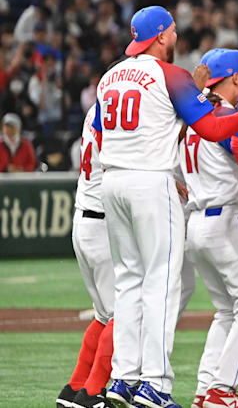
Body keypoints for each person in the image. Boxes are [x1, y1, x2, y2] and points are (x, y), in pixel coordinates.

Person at [95, 6, 238, 408]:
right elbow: (213, 127)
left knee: (128, 282)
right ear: (162, 36)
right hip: (150, 179)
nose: (177, 37)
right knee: (162, 282)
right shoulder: (170, 74)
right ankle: (155, 384)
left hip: (111, 179)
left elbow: (102, 129)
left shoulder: (109, 75)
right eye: (173, 31)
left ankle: (122, 377)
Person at [179, 49, 238, 408]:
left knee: (226, 312)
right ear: (235, 78)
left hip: (196, 223)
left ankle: (204, 389)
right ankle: (222, 390)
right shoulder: (225, 115)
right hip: (228, 218)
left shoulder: (188, 122)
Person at [56, 106, 116, 408]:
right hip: (102, 223)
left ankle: (74, 388)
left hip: (83, 217)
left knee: (103, 315)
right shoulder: (113, 112)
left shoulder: (97, 109)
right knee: (124, 314)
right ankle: (91, 394)